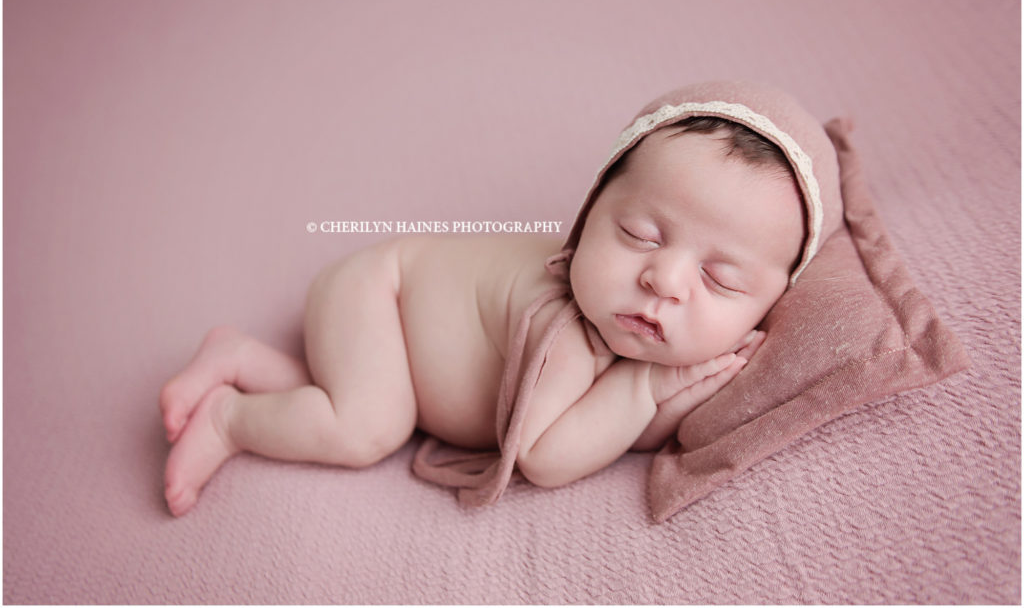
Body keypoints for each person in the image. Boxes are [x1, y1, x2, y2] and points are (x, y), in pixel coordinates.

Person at [160, 82, 816, 517]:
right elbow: (544, 454)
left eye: (722, 279)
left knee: (365, 392)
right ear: (589, 213)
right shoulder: (564, 331)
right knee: (367, 426)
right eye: (638, 234)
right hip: (378, 292)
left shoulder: (658, 328)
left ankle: (241, 356)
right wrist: (647, 389)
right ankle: (228, 417)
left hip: (406, 343)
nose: (664, 279)